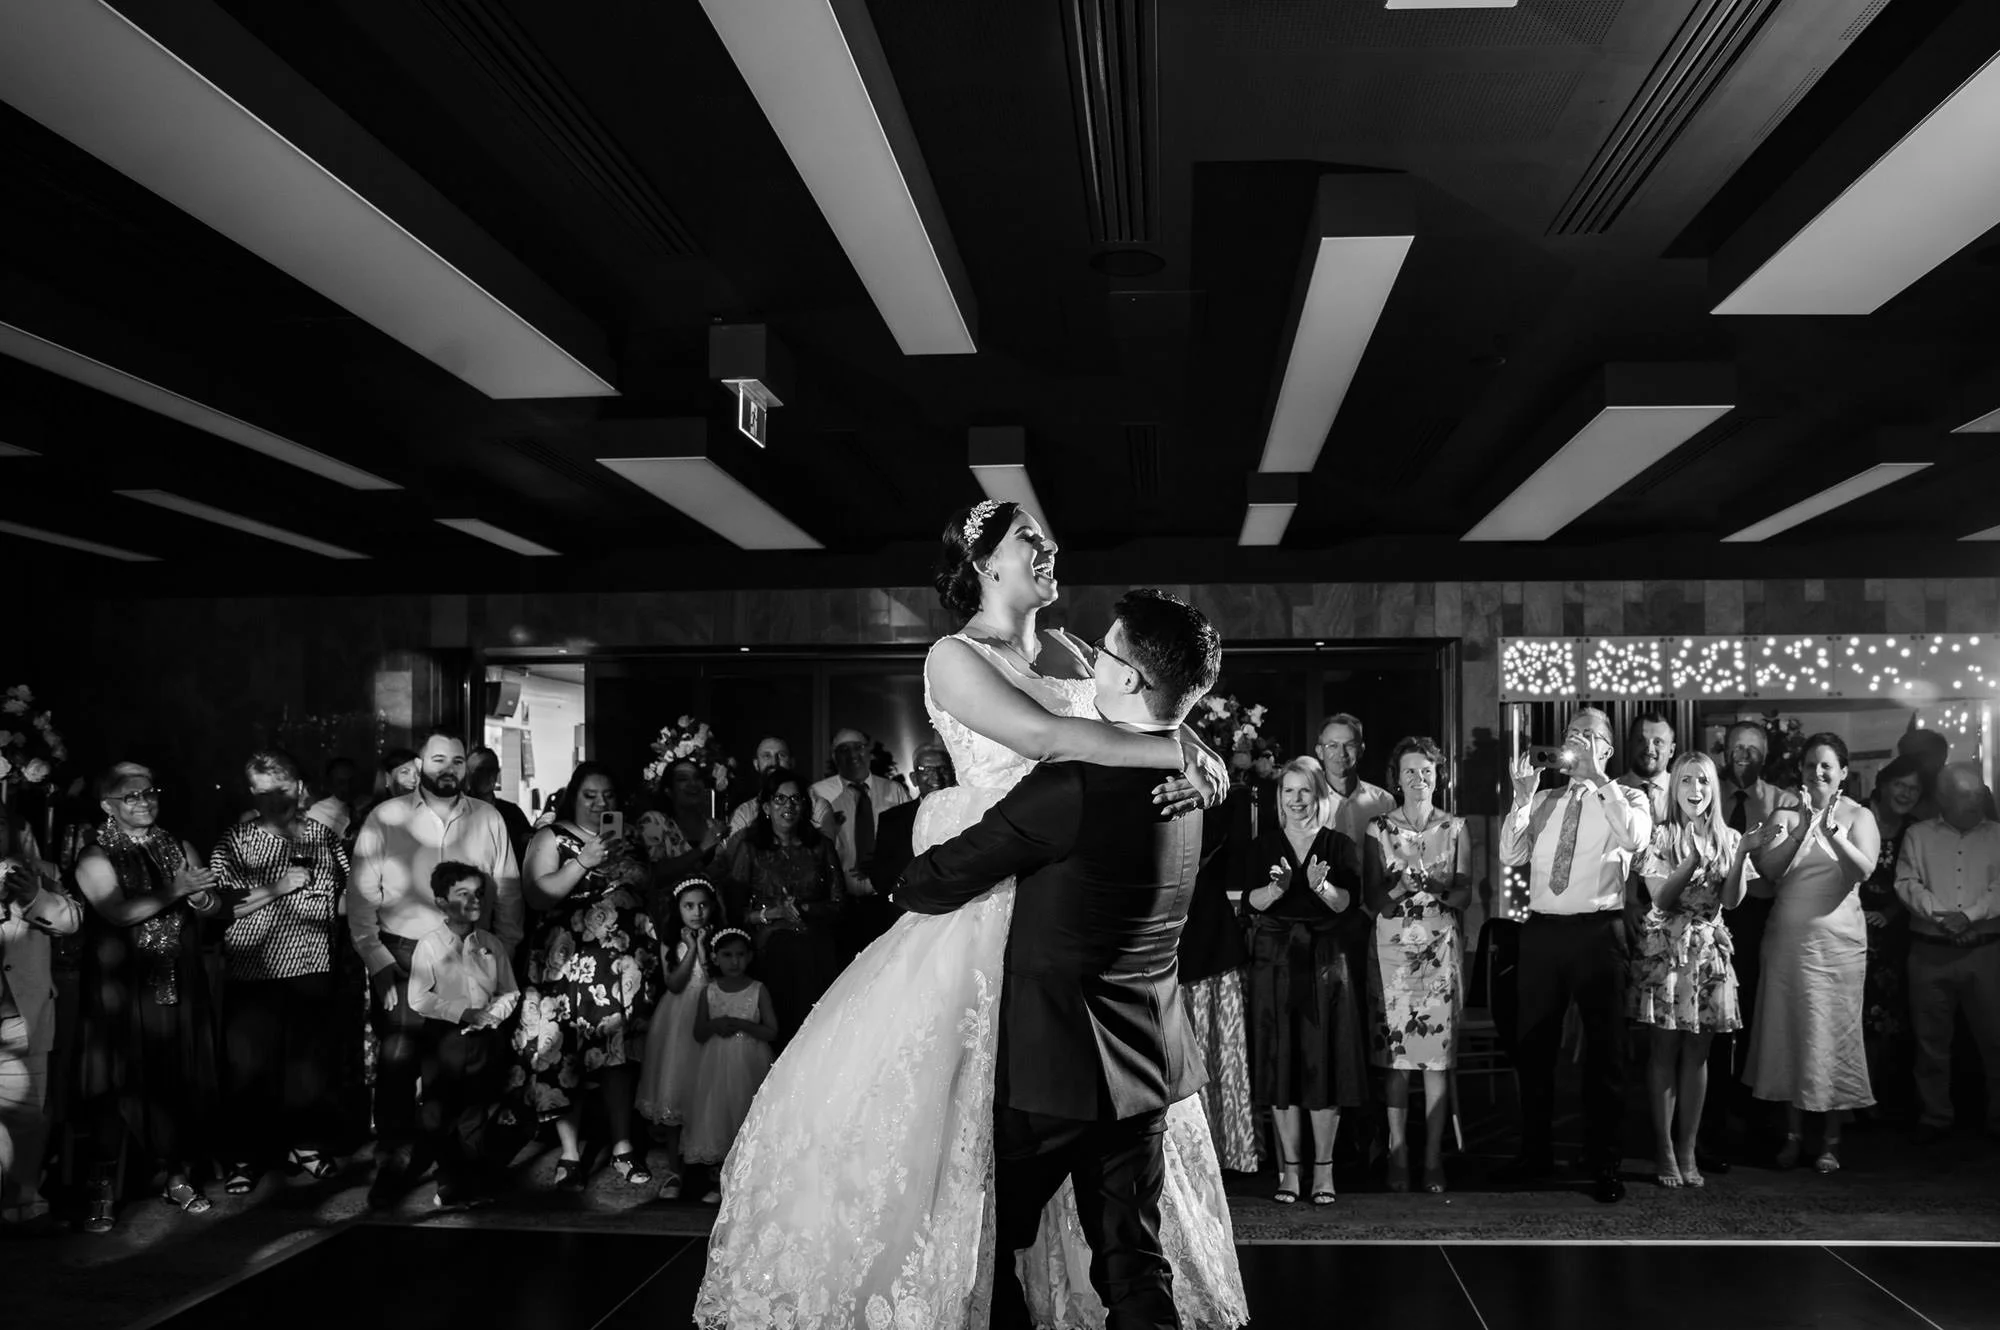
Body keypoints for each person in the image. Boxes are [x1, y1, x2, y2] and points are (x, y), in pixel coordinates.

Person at [695, 504, 1242, 1330]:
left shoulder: (1072, 651)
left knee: (1027, 1169)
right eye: (1030, 539)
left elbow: (1142, 700)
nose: (1050, 548)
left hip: (1066, 897)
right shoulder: (953, 655)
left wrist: (1188, 741)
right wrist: (1184, 751)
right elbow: (1051, 737)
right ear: (984, 562)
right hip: (989, 894)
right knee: (966, 1149)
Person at [895, 584, 1241, 1329]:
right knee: (1135, 1265)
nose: (1092, 667)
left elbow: (939, 877)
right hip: (1146, 1061)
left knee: (990, 1247)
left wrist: (909, 854)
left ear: (1129, 681)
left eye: (1105, 655)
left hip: (1052, 1070)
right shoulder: (1186, 791)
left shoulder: (1073, 784)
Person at [347, 729, 521, 1205]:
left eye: (458, 761)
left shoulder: (487, 818)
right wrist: (377, 961)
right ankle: (394, 1165)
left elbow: (506, 891)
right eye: (438, 758)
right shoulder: (387, 818)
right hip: (402, 956)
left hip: (468, 957)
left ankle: (458, 1169)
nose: (449, 768)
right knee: (399, 1065)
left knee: (462, 1071)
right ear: (419, 764)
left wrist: (497, 954)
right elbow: (362, 897)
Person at [1498, 708, 1653, 1203]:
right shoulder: (1543, 798)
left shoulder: (1628, 795)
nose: (1579, 743)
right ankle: (1535, 1152)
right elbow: (1510, 855)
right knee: (1534, 1047)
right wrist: (1522, 799)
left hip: (1598, 933)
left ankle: (1604, 1161)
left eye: (1591, 736)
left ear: (1607, 749)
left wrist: (1599, 780)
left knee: (1605, 1053)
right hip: (1543, 932)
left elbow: (1636, 838)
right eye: (1572, 736)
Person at [73, 763, 225, 1230]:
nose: (143, 801)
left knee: (174, 1073)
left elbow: (213, 904)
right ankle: (101, 1187)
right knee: (116, 1079)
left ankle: (174, 1173)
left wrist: (200, 899)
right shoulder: (94, 855)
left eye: (149, 792)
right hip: (122, 983)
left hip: (177, 976)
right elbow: (117, 912)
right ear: (108, 806)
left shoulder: (177, 845)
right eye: (131, 796)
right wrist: (176, 889)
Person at [514, 762, 661, 1190]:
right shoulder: (550, 836)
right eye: (590, 796)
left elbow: (647, 887)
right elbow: (537, 895)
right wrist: (583, 861)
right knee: (567, 1059)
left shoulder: (628, 835)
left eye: (608, 796)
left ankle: (622, 1147)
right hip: (566, 967)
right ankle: (571, 1154)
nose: (600, 803)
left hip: (620, 968)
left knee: (617, 1058)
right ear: (573, 797)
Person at [210, 749, 348, 1194]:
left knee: (308, 1067)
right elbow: (224, 905)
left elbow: (348, 894)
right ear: (251, 793)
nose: (275, 799)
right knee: (251, 1067)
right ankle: (247, 1157)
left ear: (299, 787)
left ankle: (306, 1147)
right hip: (255, 969)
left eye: (283, 788)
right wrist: (279, 886)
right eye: (264, 792)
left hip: (313, 965)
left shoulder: (321, 836)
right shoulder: (235, 840)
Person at [1742, 732, 1879, 1172]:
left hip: (1837, 948)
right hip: (1787, 944)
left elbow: (1864, 870)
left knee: (1832, 1040)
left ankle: (1831, 1142)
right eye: (1808, 766)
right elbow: (1768, 869)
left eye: (1825, 766)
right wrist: (1802, 828)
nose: (1816, 773)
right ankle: (1792, 1135)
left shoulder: (1859, 816)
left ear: (1842, 772)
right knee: (1790, 1037)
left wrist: (1832, 832)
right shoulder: (1783, 813)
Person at [1243, 756, 1366, 1206]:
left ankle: (1323, 1173)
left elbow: (1345, 905)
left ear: (1319, 796)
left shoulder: (1339, 845)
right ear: (1279, 799)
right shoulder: (1264, 845)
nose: (1296, 800)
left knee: (1323, 1067)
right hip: (1273, 965)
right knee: (1281, 1068)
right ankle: (1288, 1173)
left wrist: (1320, 888)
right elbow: (1250, 904)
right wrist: (1276, 891)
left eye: (1304, 791)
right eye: (1288, 792)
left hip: (1325, 967)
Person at [1630, 751, 1753, 1188]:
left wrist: (1741, 855)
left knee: (1698, 1053)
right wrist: (1692, 861)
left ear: (1712, 789)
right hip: (1667, 946)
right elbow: (1660, 899)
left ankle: (1687, 1149)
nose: (1694, 790)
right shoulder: (1660, 836)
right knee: (1664, 1051)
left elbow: (1734, 901)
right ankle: (1664, 1151)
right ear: (1674, 787)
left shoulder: (1730, 836)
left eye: (1702, 781)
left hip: (1708, 949)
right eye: (1685, 781)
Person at [1364, 736, 1472, 1195]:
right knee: (1397, 1064)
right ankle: (1398, 1156)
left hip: (1440, 954)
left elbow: (1466, 895)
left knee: (1436, 1063)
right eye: (1410, 771)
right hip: (1392, 955)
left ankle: (1432, 1160)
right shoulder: (1377, 829)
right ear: (1398, 778)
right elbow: (1371, 900)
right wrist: (1401, 887)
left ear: (1437, 775)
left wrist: (1438, 888)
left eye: (1426, 771)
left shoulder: (1455, 828)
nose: (1419, 779)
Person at [1893, 762, 2000, 1144]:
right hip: (1929, 953)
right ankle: (1935, 1116)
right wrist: (1944, 918)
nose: (1974, 802)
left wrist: (1968, 917)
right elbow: (1906, 884)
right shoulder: (1918, 836)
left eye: (1978, 794)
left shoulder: (1997, 836)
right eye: (1964, 796)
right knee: (1929, 1043)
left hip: (1986, 954)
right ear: (1943, 799)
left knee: (1995, 1041)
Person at [407, 861, 520, 1207]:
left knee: (474, 1111)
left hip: (482, 1039)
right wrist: (460, 1013)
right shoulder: (429, 945)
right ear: (441, 901)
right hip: (445, 1039)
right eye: (463, 894)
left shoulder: (491, 944)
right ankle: (448, 1177)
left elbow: (509, 991)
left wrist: (490, 1017)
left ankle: (472, 1178)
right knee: (442, 1112)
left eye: (479, 894)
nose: (474, 901)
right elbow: (418, 996)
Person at [1716, 719, 1804, 1155]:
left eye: (1752, 749)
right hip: (1713, 914)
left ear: (1764, 756)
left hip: (1759, 918)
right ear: (1724, 750)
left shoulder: (1782, 803)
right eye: (1737, 748)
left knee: (1753, 1013)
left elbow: (1782, 866)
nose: (1744, 756)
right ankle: (1714, 1109)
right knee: (1713, 1016)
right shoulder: (1705, 792)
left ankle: (1752, 1111)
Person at [717, 767, 845, 1038]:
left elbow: (838, 904)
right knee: (785, 952)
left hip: (815, 944)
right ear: (766, 806)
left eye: (796, 799)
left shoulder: (820, 846)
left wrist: (805, 909)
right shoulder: (750, 848)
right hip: (770, 947)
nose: (789, 806)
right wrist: (772, 913)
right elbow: (734, 913)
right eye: (780, 799)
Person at [1177, 755, 1258, 1176]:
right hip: (1161, 950)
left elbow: (1236, 865)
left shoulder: (1224, 806)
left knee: (1219, 1054)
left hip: (1211, 942)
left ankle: (1226, 1151)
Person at [0, 828, 83, 1230]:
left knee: (25, 1120)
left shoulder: (39, 871)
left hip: (18, 1015)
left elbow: (70, 921)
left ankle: (22, 1207)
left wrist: (34, 896)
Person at [635, 876, 720, 1199]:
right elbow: (674, 983)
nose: (697, 912)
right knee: (675, 1090)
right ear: (678, 909)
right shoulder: (670, 939)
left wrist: (702, 947)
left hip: (712, 1011)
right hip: (678, 1016)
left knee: (709, 1091)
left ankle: (711, 1167)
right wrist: (689, 952)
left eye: (702, 905)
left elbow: (716, 977)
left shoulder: (718, 937)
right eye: (689, 906)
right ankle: (674, 1169)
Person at [681, 928, 777, 1204]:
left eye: (740, 955)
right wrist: (715, 1024)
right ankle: (720, 1180)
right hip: (716, 1063)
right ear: (715, 957)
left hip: (750, 1061)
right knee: (719, 1113)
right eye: (727, 955)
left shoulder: (758, 989)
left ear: (749, 957)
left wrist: (745, 1025)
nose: (734, 961)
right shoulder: (709, 991)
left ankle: (747, 1181)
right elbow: (698, 1032)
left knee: (745, 1111)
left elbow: (771, 1031)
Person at [811, 727, 911, 960]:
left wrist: (882, 865)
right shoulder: (819, 793)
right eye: (843, 750)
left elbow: (909, 840)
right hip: (840, 904)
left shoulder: (893, 790)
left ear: (869, 752)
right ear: (834, 757)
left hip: (884, 902)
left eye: (858, 747)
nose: (852, 754)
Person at [1861, 754, 1924, 1121]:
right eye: (1900, 784)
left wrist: (1889, 913)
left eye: (1914, 789)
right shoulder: (1855, 814)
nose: (1905, 793)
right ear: (1883, 783)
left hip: (1894, 935)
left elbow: (1916, 881)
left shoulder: (1913, 830)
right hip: (1848, 929)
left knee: (1886, 1020)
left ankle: (1878, 1100)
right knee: (1851, 1017)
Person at [871, 741, 953, 892]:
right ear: (914, 778)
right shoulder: (891, 820)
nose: (936, 776)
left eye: (943, 769)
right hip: (908, 906)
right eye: (926, 770)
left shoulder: (969, 812)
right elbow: (881, 875)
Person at [1316, 714, 1396, 859]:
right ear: (1320, 752)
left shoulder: (1384, 802)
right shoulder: (1308, 801)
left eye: (1349, 745)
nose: (1342, 753)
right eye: (1332, 745)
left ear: (1361, 750)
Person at [637, 759, 728, 881]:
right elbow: (652, 873)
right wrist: (702, 849)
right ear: (668, 790)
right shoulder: (654, 821)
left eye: (697, 778)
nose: (693, 784)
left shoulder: (714, 826)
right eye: (683, 779)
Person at [726, 737, 831, 835]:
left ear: (792, 762)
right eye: (767, 756)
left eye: (781, 755)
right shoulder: (744, 813)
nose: (774, 762)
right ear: (756, 764)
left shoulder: (817, 806)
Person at [466, 745, 534, 864]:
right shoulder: (458, 811)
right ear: (468, 775)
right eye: (480, 770)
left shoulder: (512, 813)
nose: (489, 776)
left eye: (492, 770)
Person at [1618, 711, 1676, 826]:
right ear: (1630, 745)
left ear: (1671, 750)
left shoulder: (1684, 791)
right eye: (1640, 740)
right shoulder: (1611, 793)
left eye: (1657, 742)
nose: (1649, 749)